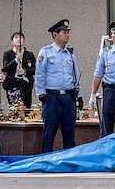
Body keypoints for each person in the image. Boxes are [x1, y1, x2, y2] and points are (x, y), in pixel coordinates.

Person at [35, 19, 84, 153]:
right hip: (52, 97)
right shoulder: (46, 52)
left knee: (69, 131)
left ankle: (68, 160)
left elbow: (75, 74)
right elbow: (40, 74)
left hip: (68, 97)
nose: (67, 35)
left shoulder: (70, 53)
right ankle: (46, 159)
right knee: (49, 131)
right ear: (55, 34)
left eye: (68, 32)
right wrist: (41, 93)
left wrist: (79, 95)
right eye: (64, 32)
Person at [1, 31, 37, 107]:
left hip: (26, 83)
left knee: (27, 106)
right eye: (16, 37)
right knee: (14, 108)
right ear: (12, 41)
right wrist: (16, 60)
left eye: (20, 37)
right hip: (12, 83)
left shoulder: (29, 54)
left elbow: (35, 69)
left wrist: (25, 71)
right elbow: (5, 68)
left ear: (24, 41)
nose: (18, 39)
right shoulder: (7, 54)